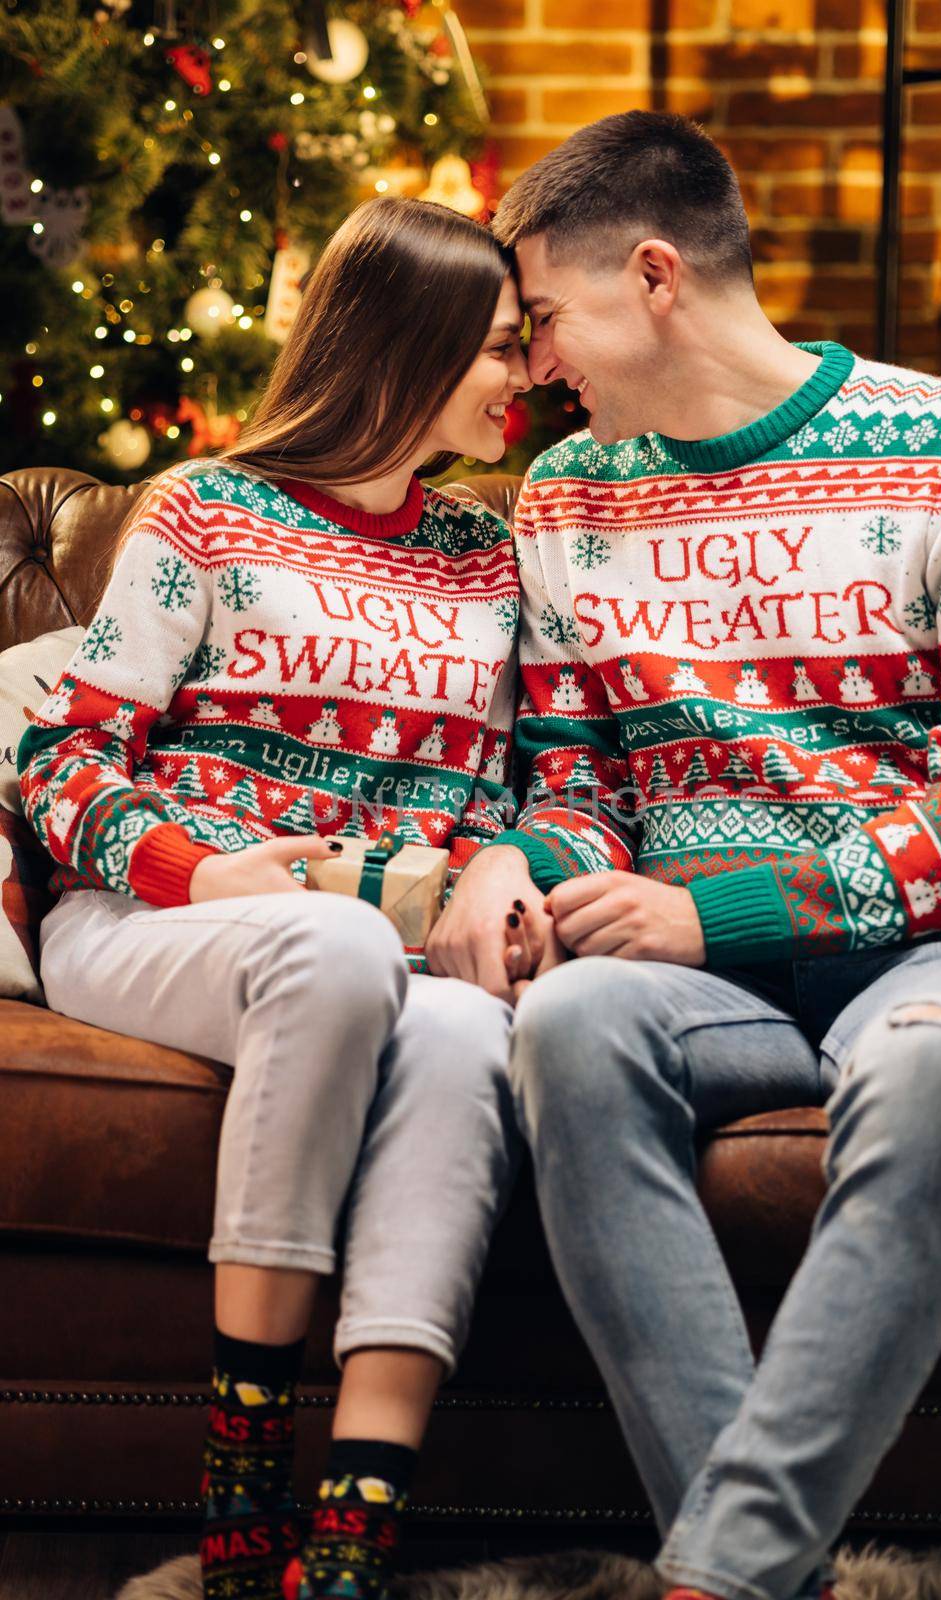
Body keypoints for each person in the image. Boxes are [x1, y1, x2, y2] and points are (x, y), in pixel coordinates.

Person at [430, 112, 941, 1600]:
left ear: (654, 276)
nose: (531, 371)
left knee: (930, 1064)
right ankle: (756, 1579)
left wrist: (713, 910)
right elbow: (581, 779)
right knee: (576, 1025)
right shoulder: (573, 497)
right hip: (690, 982)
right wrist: (515, 858)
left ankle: (717, 1574)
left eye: (542, 323)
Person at [18, 196, 531, 1600]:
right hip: (151, 923)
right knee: (333, 945)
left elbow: (503, 793)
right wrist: (197, 869)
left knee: (461, 1034)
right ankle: (243, 1505)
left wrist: (501, 866)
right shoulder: (206, 510)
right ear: (411, 346)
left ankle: (354, 1534)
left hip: (378, 949)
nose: (525, 374)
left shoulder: (488, 556)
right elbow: (60, 757)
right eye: (496, 346)